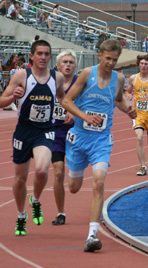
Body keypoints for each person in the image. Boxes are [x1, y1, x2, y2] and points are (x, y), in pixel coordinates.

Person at [62, 39, 137, 252]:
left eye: (115, 60)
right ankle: (77, 169)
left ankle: (92, 235)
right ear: (100, 56)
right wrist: (85, 116)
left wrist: (128, 109)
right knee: (74, 188)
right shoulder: (87, 74)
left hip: (101, 140)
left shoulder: (119, 79)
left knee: (98, 182)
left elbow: (118, 100)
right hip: (79, 137)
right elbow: (67, 101)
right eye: (108, 59)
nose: (111, 63)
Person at [0, 40, 65, 236]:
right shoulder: (22, 76)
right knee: (20, 180)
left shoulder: (57, 77)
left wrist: (69, 111)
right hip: (23, 131)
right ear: (32, 56)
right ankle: (21, 215)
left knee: (41, 170)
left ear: (50, 57)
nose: (43, 57)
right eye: (40, 54)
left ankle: (35, 200)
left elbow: (62, 97)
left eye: (47, 54)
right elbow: (1, 101)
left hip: (44, 131)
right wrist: (13, 98)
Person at [51, 50, 78, 225]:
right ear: (58, 65)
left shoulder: (80, 83)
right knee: (59, 172)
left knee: (74, 183)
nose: (68, 65)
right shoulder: (50, 83)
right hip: (55, 134)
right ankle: (61, 213)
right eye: (65, 62)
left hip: (76, 134)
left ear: (75, 66)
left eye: (71, 62)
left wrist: (76, 114)